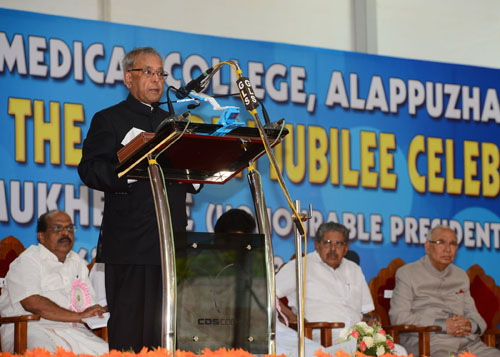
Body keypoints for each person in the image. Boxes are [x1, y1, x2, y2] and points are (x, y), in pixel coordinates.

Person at [78, 46, 201, 352]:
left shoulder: (175, 123)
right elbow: (90, 169)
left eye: (160, 73)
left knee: (166, 332)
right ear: (128, 78)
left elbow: (189, 174)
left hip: (170, 244)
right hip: (129, 244)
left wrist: (201, 171)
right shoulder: (109, 119)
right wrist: (131, 169)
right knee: (130, 333)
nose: (156, 80)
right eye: (148, 72)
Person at [275, 222, 407, 355]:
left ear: (346, 248)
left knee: (399, 351)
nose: (333, 248)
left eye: (338, 244)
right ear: (317, 245)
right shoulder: (300, 266)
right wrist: (291, 316)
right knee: (356, 351)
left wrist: (370, 324)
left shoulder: (354, 269)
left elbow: (366, 313)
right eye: (327, 243)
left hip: (357, 337)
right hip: (322, 338)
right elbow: (268, 292)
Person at [0, 210, 108, 355]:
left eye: (70, 228)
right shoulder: (28, 260)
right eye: (57, 228)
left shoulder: (78, 263)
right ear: (41, 236)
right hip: (30, 328)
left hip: (74, 331)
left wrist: (101, 311)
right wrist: (79, 316)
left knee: (110, 353)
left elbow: (89, 309)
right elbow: (32, 303)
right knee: (45, 352)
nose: (65, 233)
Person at [389, 225, 500, 357]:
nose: (448, 249)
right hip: (429, 343)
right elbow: (399, 317)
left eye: (453, 244)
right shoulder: (407, 274)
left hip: (467, 343)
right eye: (441, 242)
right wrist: (442, 325)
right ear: (427, 247)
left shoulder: (460, 276)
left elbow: (477, 318)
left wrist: (469, 324)